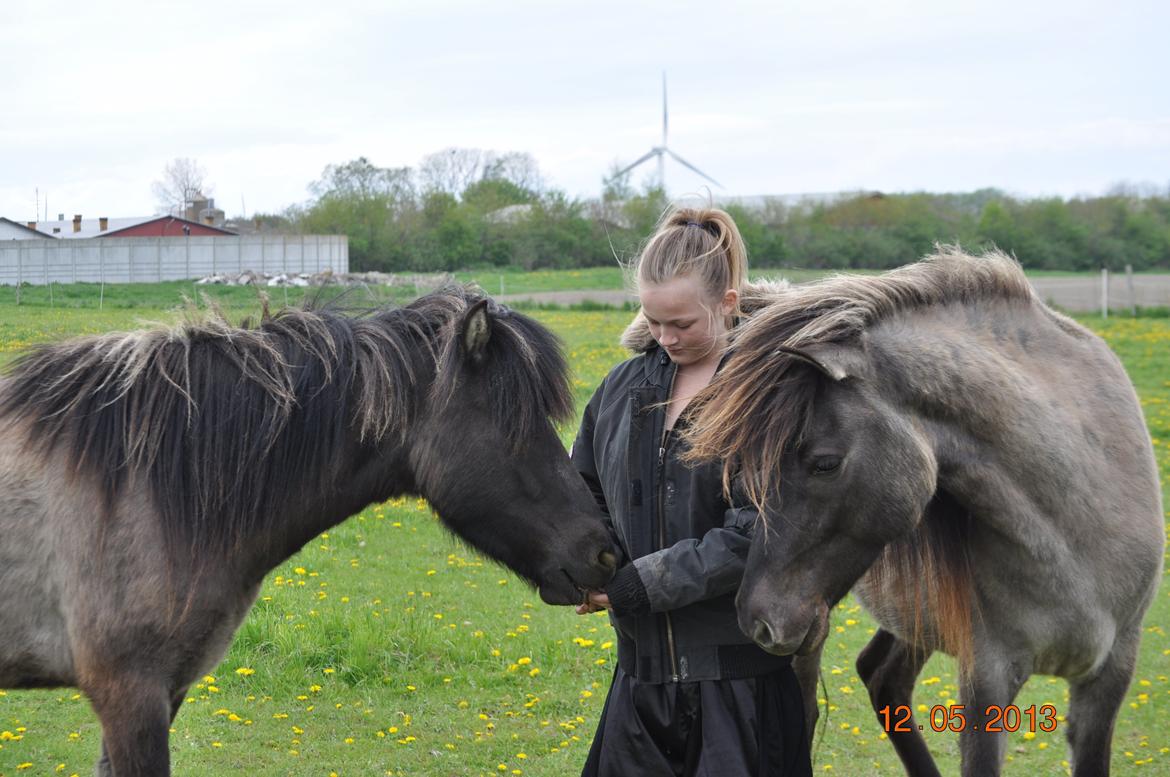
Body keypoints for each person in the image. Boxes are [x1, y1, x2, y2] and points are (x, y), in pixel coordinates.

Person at [572, 206, 812, 777]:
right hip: (639, 687)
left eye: (682, 324)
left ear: (728, 303)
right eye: (654, 322)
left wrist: (638, 586)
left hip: (740, 693)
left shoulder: (767, 394)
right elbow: (582, 490)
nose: (665, 338)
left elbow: (757, 530)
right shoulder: (619, 389)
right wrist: (586, 565)